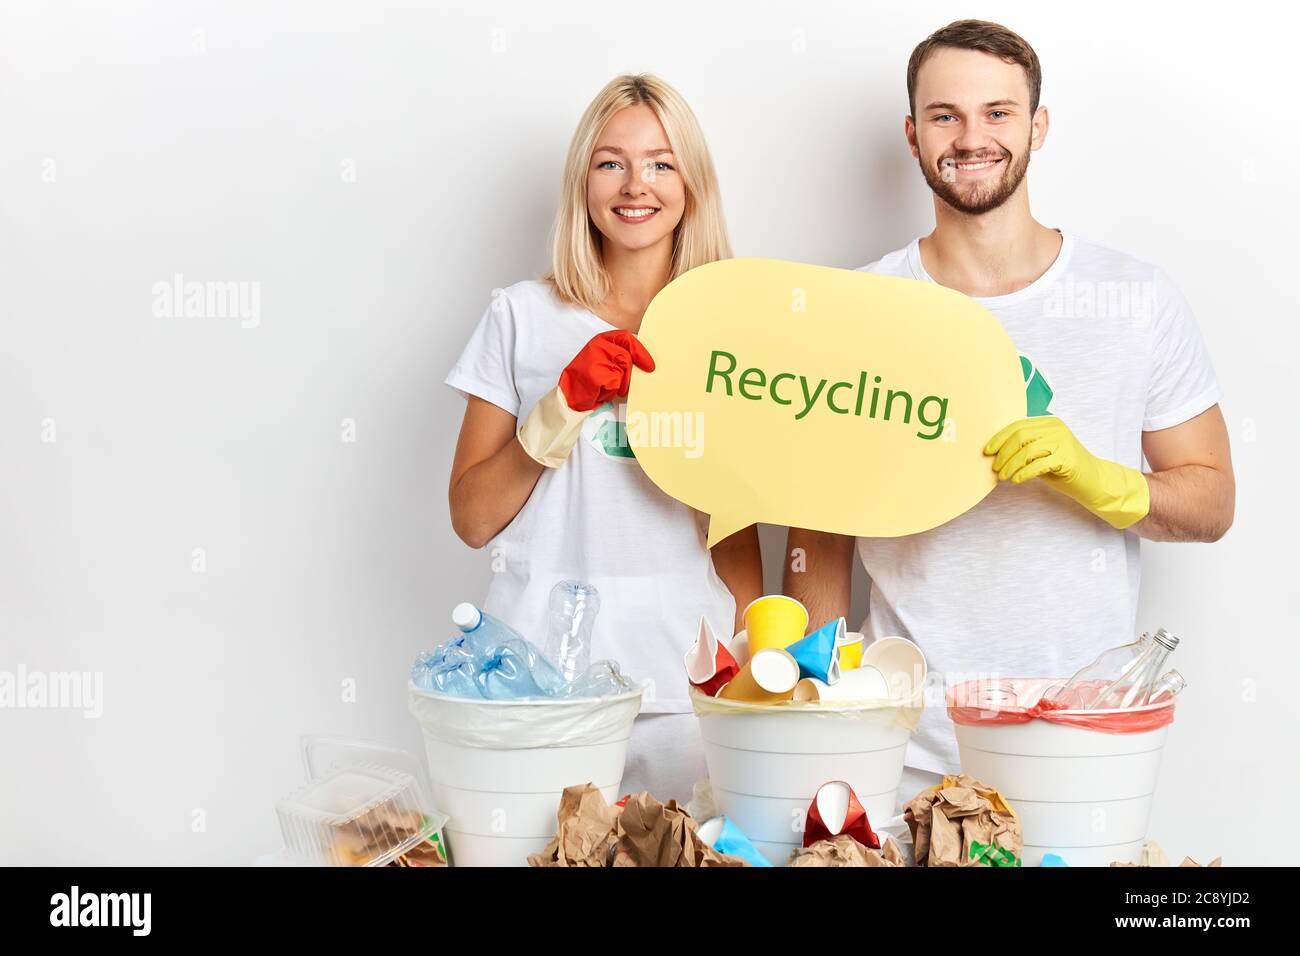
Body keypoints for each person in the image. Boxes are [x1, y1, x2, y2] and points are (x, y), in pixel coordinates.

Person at [784, 20, 1235, 808]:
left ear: (1038, 125)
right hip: (907, 751)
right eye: (945, 115)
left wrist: (1106, 483)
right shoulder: (860, 311)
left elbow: (1212, 501)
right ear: (912, 134)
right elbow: (818, 533)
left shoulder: (1134, 299)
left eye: (997, 112)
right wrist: (817, 718)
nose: (971, 137)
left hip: (1084, 744)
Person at [446, 74, 763, 804]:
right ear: (583, 181)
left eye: (661, 162)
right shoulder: (522, 316)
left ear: (692, 182)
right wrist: (560, 408)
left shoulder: (728, 333)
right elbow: (471, 518)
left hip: (684, 676)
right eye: (610, 161)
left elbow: (733, 527)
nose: (635, 185)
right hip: (538, 676)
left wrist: (750, 665)